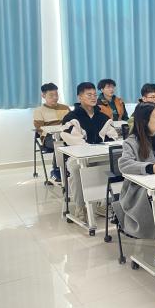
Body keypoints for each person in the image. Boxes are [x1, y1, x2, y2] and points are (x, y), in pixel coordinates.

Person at [117, 103, 155, 238]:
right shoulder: (131, 142)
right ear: (144, 121)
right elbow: (124, 164)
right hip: (140, 189)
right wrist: (151, 168)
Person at [62, 82, 117, 222]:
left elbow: (112, 137)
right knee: (77, 170)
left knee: (111, 166)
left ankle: (103, 204)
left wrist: (99, 148)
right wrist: (91, 149)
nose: (93, 97)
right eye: (89, 95)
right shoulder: (71, 117)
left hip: (99, 155)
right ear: (79, 97)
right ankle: (80, 206)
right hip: (78, 157)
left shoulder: (103, 117)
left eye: (94, 94)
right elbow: (74, 141)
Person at [33, 82, 70, 182]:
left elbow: (72, 122)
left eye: (56, 95)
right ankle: (56, 170)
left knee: (71, 141)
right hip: (49, 138)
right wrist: (54, 131)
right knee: (60, 143)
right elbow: (40, 128)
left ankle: (70, 168)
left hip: (66, 135)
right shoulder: (39, 110)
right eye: (51, 95)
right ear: (43, 95)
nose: (55, 97)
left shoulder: (65, 108)